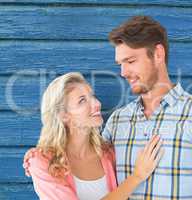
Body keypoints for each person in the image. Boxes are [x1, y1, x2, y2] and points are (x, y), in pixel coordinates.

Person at [102, 15, 192, 199]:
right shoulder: (117, 121)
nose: (123, 73)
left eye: (131, 61)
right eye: (120, 64)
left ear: (158, 54)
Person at [23, 72, 164, 200]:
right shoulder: (43, 163)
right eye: (82, 100)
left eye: (92, 96)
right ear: (63, 116)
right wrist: (137, 177)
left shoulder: (108, 154)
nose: (97, 104)